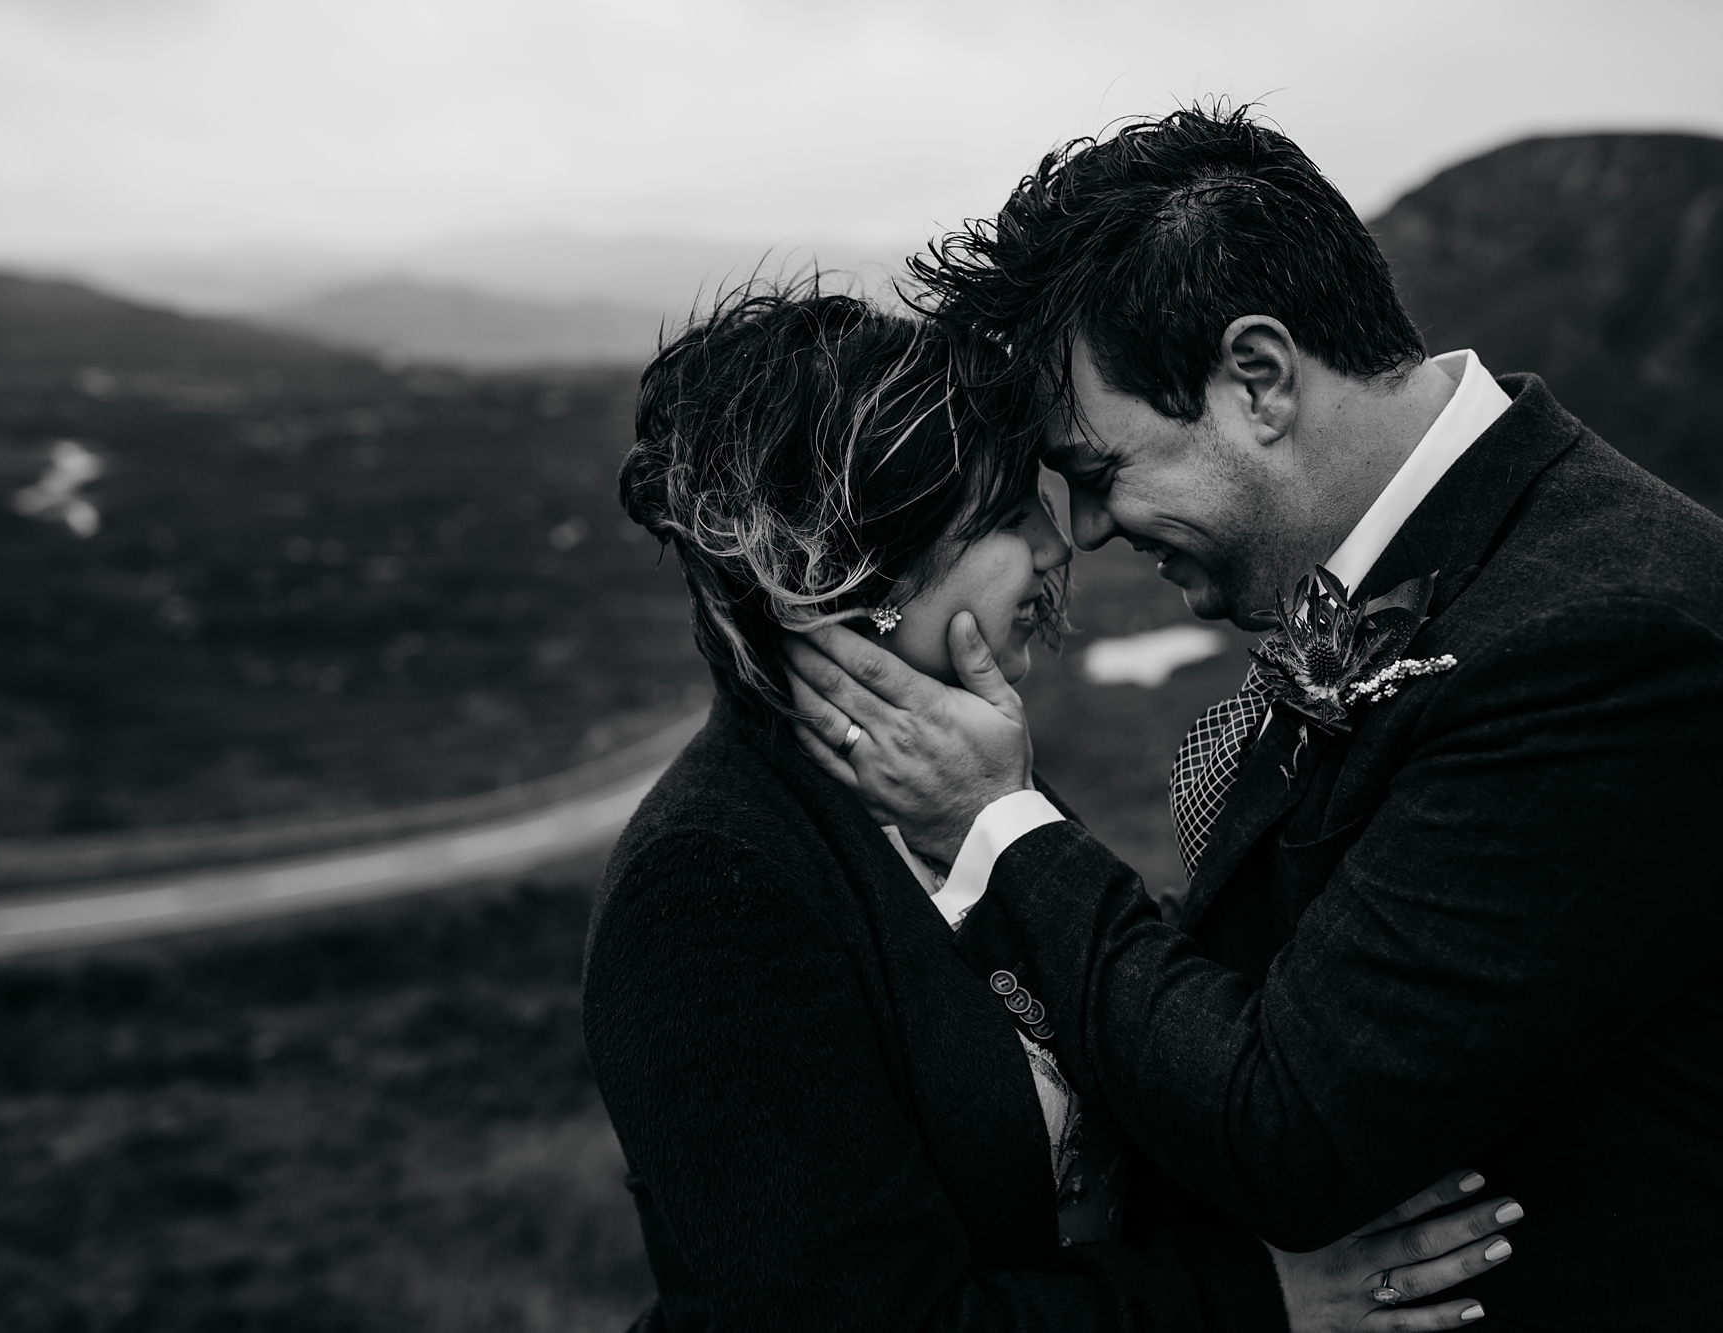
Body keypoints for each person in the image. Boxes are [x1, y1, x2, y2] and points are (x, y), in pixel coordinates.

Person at [783, 107, 1723, 1330]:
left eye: (1099, 473)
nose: (1088, 532)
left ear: (1256, 379)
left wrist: (998, 828)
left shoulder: (1607, 645)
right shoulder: (1471, 561)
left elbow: (1294, 1129)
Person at [586, 284, 1527, 1333]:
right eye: (998, 517)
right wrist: (1247, 1299)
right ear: (844, 580)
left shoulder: (955, 777)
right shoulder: (713, 885)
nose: (1054, 544)